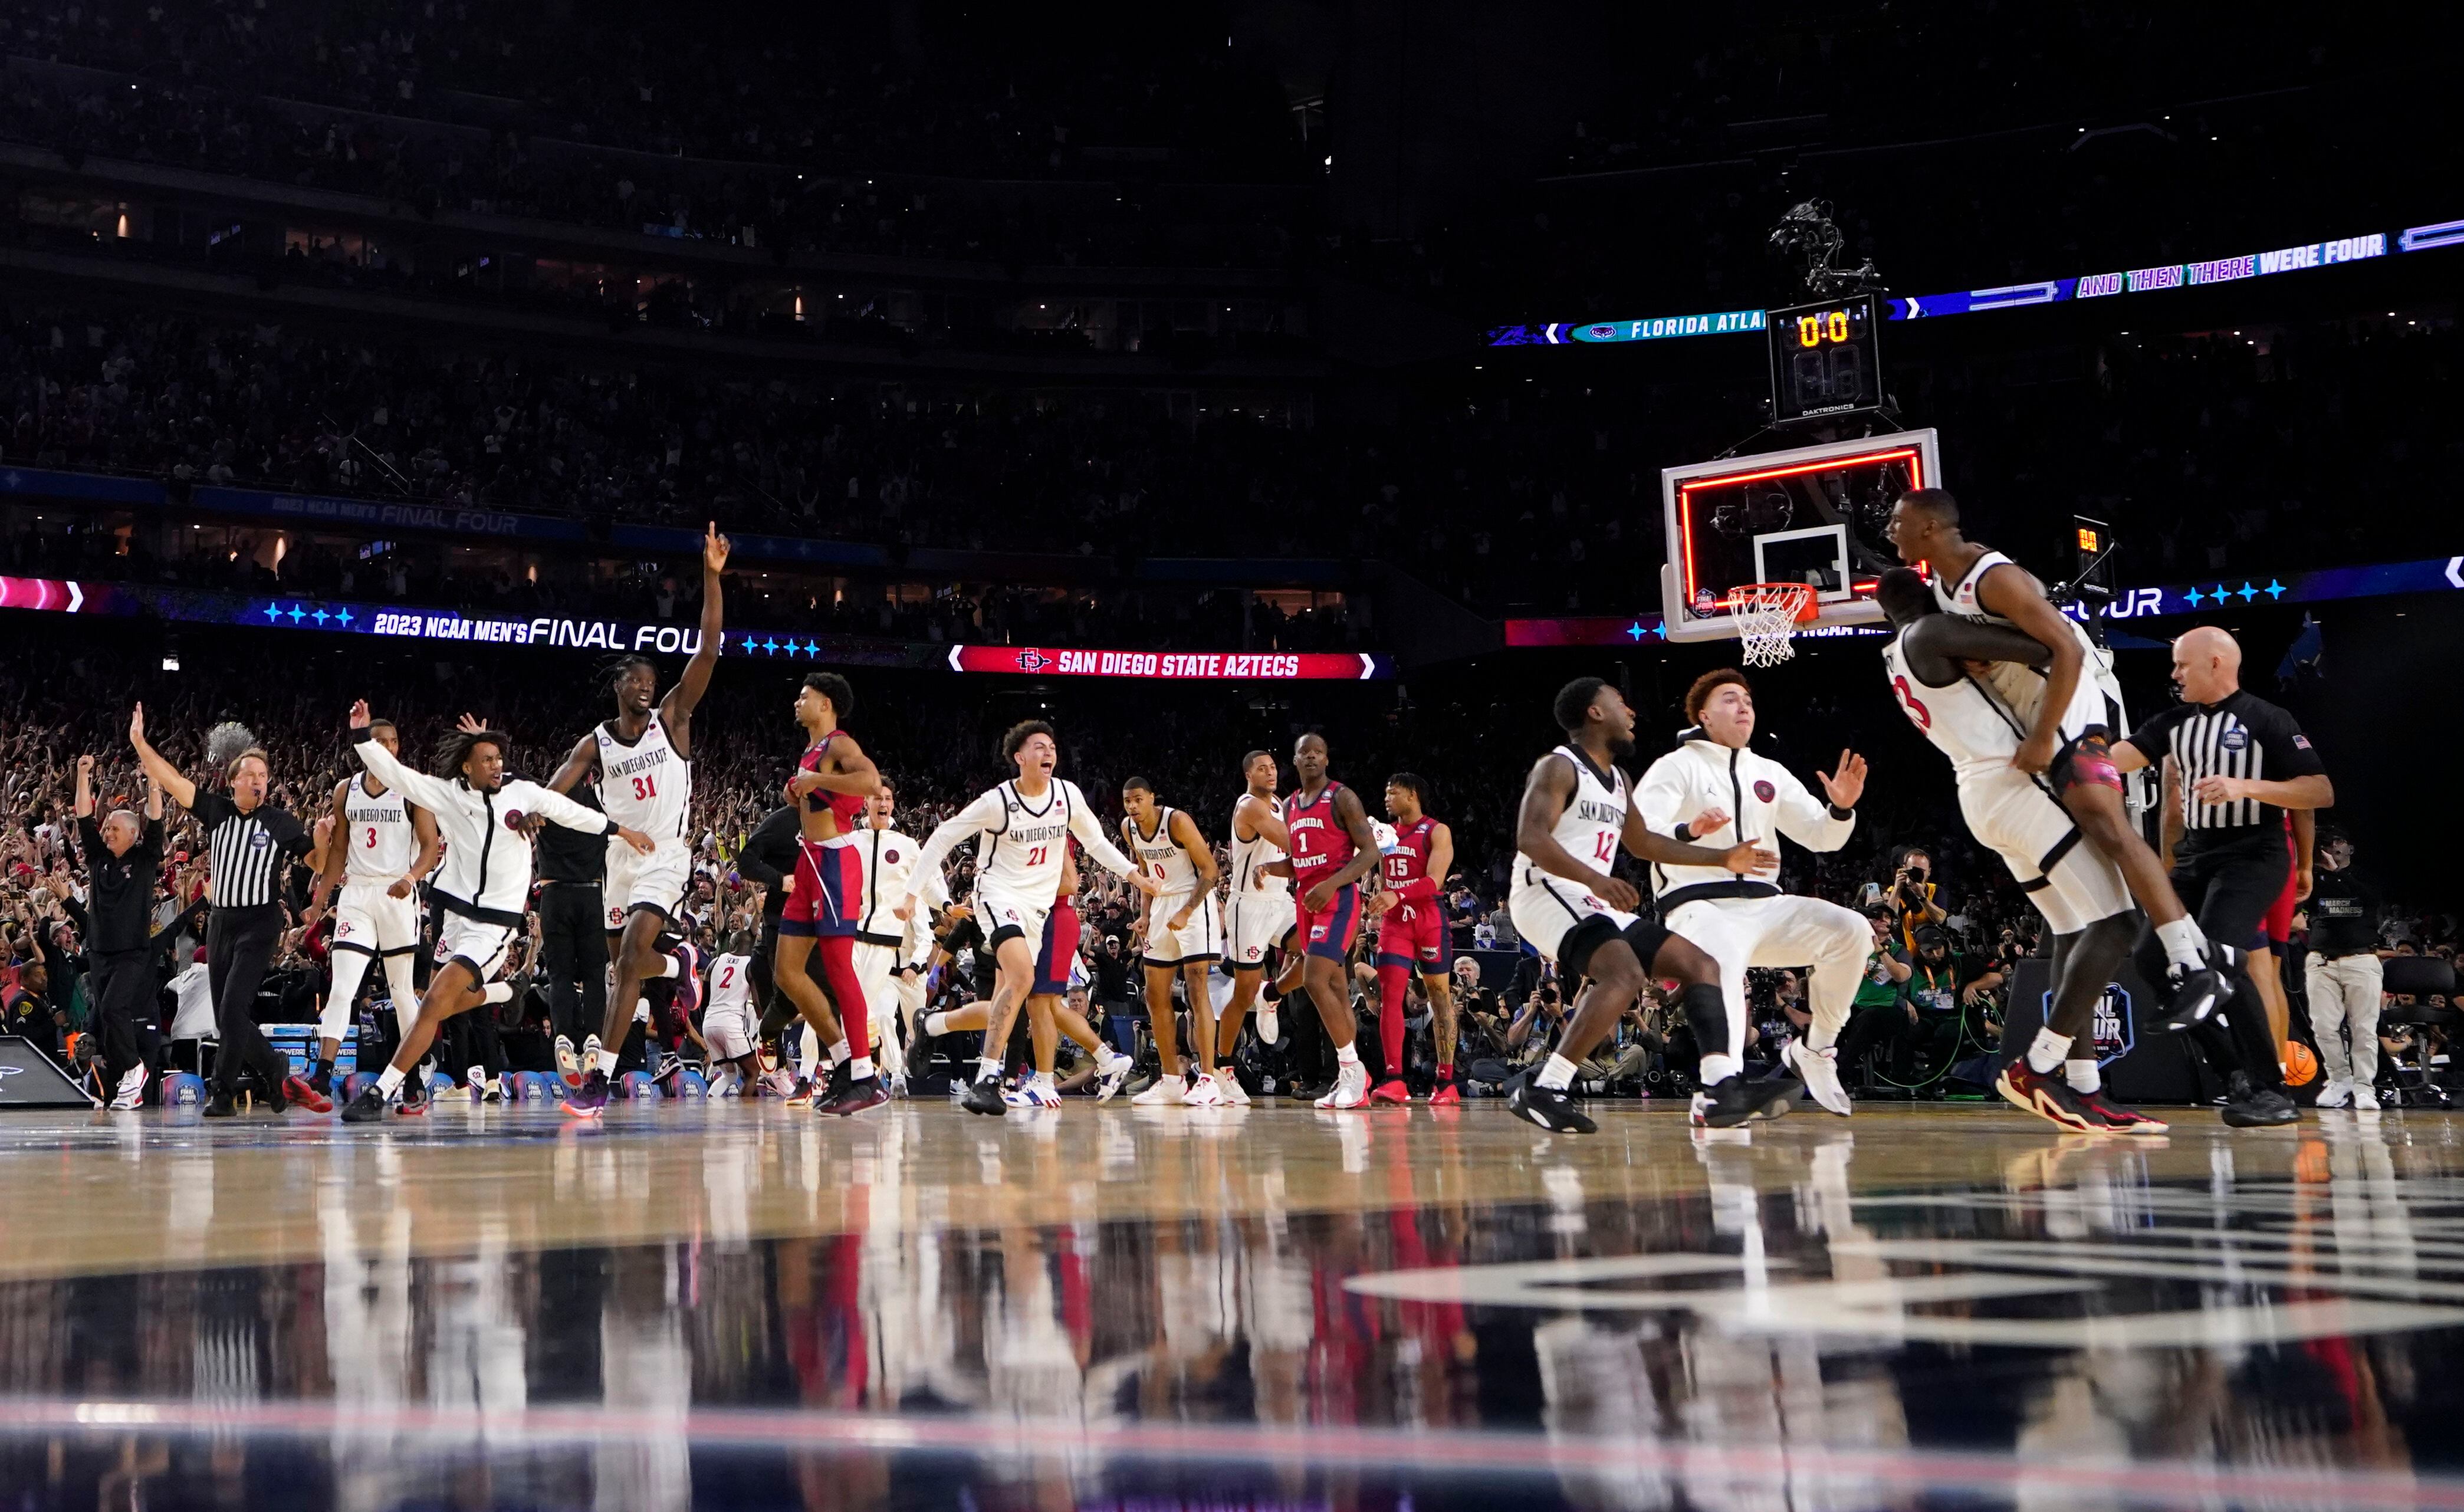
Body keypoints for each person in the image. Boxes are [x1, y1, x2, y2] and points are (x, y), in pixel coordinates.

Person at [1884, 487, 2230, 1029]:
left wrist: (2044, 737)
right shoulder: (1945, 586)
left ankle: (2194, 963)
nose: (1889, 529)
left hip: (2071, 707)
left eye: (1897, 520)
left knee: (2110, 827)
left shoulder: (1991, 577)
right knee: (2095, 867)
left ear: (1930, 527)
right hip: (2043, 710)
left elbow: (2063, 647)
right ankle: (2195, 957)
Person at [1874, 567, 2167, 1132]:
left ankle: (2085, 1087)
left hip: (1982, 796)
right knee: (2118, 922)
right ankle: (2038, 1065)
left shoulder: (1897, 654)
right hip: (2012, 784)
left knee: (2074, 929)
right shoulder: (1930, 633)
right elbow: (2048, 643)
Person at [339, 703, 656, 1123]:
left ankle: (382, 1092)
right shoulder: (449, 795)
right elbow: (402, 777)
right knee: (440, 1003)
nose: (496, 765)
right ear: (466, 767)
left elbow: (570, 812)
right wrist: (363, 737)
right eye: (486, 759)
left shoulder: (521, 793)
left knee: (433, 1000)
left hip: (494, 926)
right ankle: (504, 992)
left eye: (499, 759)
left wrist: (622, 830)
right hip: (453, 912)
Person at [1507, 676, 1783, 1133]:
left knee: (1699, 963)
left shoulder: (1618, 780)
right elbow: (1530, 837)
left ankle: (1720, 1089)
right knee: (1625, 974)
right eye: (1620, 703)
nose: (1632, 713)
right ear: (1595, 713)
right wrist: (1597, 877)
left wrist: (1720, 856)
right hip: (1545, 892)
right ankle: (1546, 1086)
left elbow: (1643, 842)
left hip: (1590, 897)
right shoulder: (1558, 767)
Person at [2107, 626, 2335, 1128]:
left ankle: (2271, 1090)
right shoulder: (2174, 722)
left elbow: (2319, 791)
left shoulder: (2268, 718)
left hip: (2254, 855)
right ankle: (2234, 1071)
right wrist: (2066, 760)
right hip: (2195, 856)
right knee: (2149, 958)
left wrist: (2243, 786)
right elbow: (2122, 757)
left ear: (2215, 663)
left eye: (2182, 664)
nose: (2174, 674)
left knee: (2220, 958)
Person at [549, 523, 730, 1112]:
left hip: (666, 854)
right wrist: (528, 811)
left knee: (627, 960)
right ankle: (681, 960)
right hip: (618, 858)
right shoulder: (596, 741)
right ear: (619, 685)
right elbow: (557, 790)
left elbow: (706, 650)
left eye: (653, 680)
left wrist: (710, 576)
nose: (648, 687)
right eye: (639, 681)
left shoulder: (673, 717)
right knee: (621, 963)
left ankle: (597, 1078)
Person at [1635, 669, 1871, 1117]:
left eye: (1747, 699)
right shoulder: (1676, 765)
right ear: (1703, 715)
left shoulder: (1770, 771)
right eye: (1729, 699)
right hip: (1699, 904)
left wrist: (1841, 808)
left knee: (1852, 929)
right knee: (1720, 952)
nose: (1743, 706)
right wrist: (1691, 829)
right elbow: (1644, 830)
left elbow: (1823, 837)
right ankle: (1719, 1085)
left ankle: (1816, 1051)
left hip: (1765, 905)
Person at [906, 719, 1158, 1115]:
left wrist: (1133, 874)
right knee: (1025, 981)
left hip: (1039, 909)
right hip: (997, 895)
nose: (1048, 752)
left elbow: (1095, 842)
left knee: (1013, 998)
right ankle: (989, 1078)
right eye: (1039, 747)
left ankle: (934, 1026)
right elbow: (942, 837)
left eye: (1052, 746)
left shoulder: (1067, 795)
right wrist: (911, 894)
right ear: (1019, 757)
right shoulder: (997, 801)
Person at [129, 703, 325, 1117]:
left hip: (260, 922)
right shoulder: (216, 811)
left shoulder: (280, 822)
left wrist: (325, 838)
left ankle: (224, 1091)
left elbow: (318, 865)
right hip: (220, 923)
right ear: (233, 780)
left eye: (263, 776)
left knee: (234, 1008)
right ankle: (271, 1071)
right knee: (224, 1016)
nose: (258, 781)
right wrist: (141, 745)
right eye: (250, 775)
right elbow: (172, 780)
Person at [761, 672, 884, 1116]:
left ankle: (867, 1076)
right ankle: (843, 1063)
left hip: (835, 860)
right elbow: (812, 795)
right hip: (809, 860)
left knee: (837, 969)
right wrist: (799, 790)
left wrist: (817, 783)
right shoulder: (812, 752)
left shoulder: (838, 744)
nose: (797, 701)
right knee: (787, 972)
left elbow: (872, 783)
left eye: (804, 696)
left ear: (826, 704)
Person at [300, 716, 441, 1099]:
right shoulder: (346, 790)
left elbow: (430, 846)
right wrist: (318, 901)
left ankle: (411, 1077)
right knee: (341, 987)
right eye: (380, 740)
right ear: (364, 746)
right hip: (358, 894)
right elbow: (340, 851)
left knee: (399, 992)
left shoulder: (412, 788)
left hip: (398, 894)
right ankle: (322, 1077)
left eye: (394, 741)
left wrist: (411, 879)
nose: (388, 747)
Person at [1279, 732, 1388, 1110]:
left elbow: (1371, 852)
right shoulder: (1290, 804)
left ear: (1327, 759)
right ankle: (1352, 1078)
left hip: (1338, 898)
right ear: (1294, 761)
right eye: (1304, 753)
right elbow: (1298, 860)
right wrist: (1267, 869)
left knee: (1312, 979)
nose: (1311, 758)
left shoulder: (1343, 797)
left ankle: (1353, 1073)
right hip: (1306, 900)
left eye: (1318, 753)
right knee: (1339, 991)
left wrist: (1330, 884)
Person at [1119, 776, 1227, 1106]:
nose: (1133, 807)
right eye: (1128, 801)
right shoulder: (1129, 828)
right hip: (1162, 903)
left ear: (1152, 798)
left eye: (1138, 799)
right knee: (1154, 994)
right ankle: (1171, 1080)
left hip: (1194, 902)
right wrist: (1146, 914)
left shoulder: (1177, 821)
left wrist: (1187, 911)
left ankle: (1208, 1078)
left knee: (1196, 987)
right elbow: (1144, 871)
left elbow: (1211, 871)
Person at [70, 753, 163, 1109]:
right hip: (98, 950)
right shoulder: (97, 858)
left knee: (112, 1009)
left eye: (113, 828)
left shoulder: (144, 858)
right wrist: (82, 777)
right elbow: (82, 817)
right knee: (106, 1018)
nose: (106, 832)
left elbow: (156, 818)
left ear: (132, 834)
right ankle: (129, 1087)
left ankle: (134, 1067)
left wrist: (154, 782)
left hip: (131, 951)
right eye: (106, 827)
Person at [1366, 773, 1459, 1104]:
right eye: (1386, 793)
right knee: (1390, 996)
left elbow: (1434, 880)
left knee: (1439, 997)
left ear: (1414, 795)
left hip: (1428, 920)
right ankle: (1394, 1079)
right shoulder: (1385, 834)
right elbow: (1382, 877)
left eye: (1393, 793)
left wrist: (1397, 895)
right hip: (1395, 923)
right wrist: (1380, 899)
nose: (1387, 799)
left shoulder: (1437, 830)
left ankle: (1446, 1082)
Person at [1214, 750, 1293, 1063]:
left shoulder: (1279, 804)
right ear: (1249, 775)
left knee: (1319, 956)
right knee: (1244, 992)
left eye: (1273, 767)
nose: (1271, 773)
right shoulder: (1249, 807)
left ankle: (1271, 994)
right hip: (1249, 907)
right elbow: (1292, 843)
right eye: (1262, 769)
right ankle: (1223, 1065)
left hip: (1279, 900)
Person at [2302, 829, 2383, 1109]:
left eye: (2340, 841)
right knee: (2323, 1026)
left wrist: (2339, 873)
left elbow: (2371, 899)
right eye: (2329, 842)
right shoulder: (2314, 876)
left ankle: (2364, 1088)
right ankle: (2339, 1079)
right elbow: (2300, 902)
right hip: (2322, 961)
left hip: (2361, 961)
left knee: (2364, 1029)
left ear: (2351, 848)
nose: (2333, 846)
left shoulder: (2365, 876)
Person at [699, 933, 761, 1096]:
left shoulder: (715, 962)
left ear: (732, 944)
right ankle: (744, 1119)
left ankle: (710, 1107)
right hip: (731, 1023)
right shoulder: (751, 965)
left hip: (709, 1023)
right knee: (753, 1072)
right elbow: (757, 1003)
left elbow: (703, 999)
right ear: (752, 946)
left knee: (730, 1075)